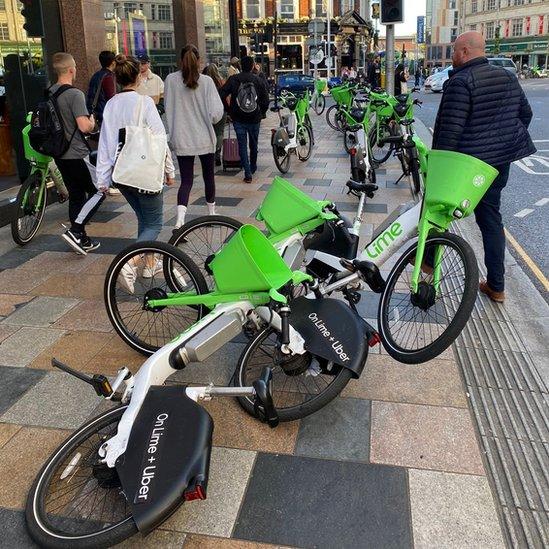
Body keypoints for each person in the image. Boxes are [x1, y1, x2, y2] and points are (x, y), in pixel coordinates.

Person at [432, 31, 535, 303]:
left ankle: (429, 266)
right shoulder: (508, 77)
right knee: (491, 220)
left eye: (454, 51)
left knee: (436, 210)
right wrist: (500, 143)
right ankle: (497, 286)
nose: (452, 56)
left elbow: (449, 135)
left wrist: (437, 172)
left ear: (464, 51)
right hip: (497, 166)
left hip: (466, 166)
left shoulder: (461, 82)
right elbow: (525, 114)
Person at [96, 54, 175, 244]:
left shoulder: (111, 104)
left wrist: (102, 179)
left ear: (117, 78)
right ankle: (128, 263)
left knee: (144, 219)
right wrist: (169, 170)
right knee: (154, 225)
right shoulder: (145, 102)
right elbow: (160, 139)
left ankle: (148, 263)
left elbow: (105, 143)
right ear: (138, 77)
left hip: (122, 174)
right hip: (144, 170)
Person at [164, 45, 224, 229]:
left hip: (182, 138)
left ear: (180, 60)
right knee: (208, 177)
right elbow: (216, 113)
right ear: (198, 61)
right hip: (204, 137)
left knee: (186, 181)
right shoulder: (206, 82)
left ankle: (180, 220)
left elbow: (167, 107)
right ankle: (211, 213)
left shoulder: (170, 80)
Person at [50, 53, 103, 254]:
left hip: (59, 153)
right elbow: (84, 127)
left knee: (76, 195)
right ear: (72, 69)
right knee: (100, 190)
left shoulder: (50, 92)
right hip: (77, 153)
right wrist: (92, 121)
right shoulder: (75, 94)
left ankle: (81, 239)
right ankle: (76, 230)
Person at [220, 55, 269, 184]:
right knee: (254, 144)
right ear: (253, 66)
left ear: (241, 66)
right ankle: (253, 167)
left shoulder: (233, 79)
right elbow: (265, 99)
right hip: (254, 118)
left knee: (242, 145)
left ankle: (247, 173)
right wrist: (262, 112)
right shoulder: (257, 80)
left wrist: (229, 109)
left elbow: (222, 94)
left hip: (238, 118)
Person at [203, 63, 227, 166]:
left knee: (208, 133)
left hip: (206, 112)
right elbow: (226, 97)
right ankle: (218, 152)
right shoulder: (221, 82)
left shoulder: (203, 83)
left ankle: (210, 153)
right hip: (220, 111)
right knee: (219, 132)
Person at [86, 50, 116, 122]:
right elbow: (112, 98)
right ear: (113, 62)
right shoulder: (108, 77)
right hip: (104, 114)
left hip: (96, 113)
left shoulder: (96, 75)